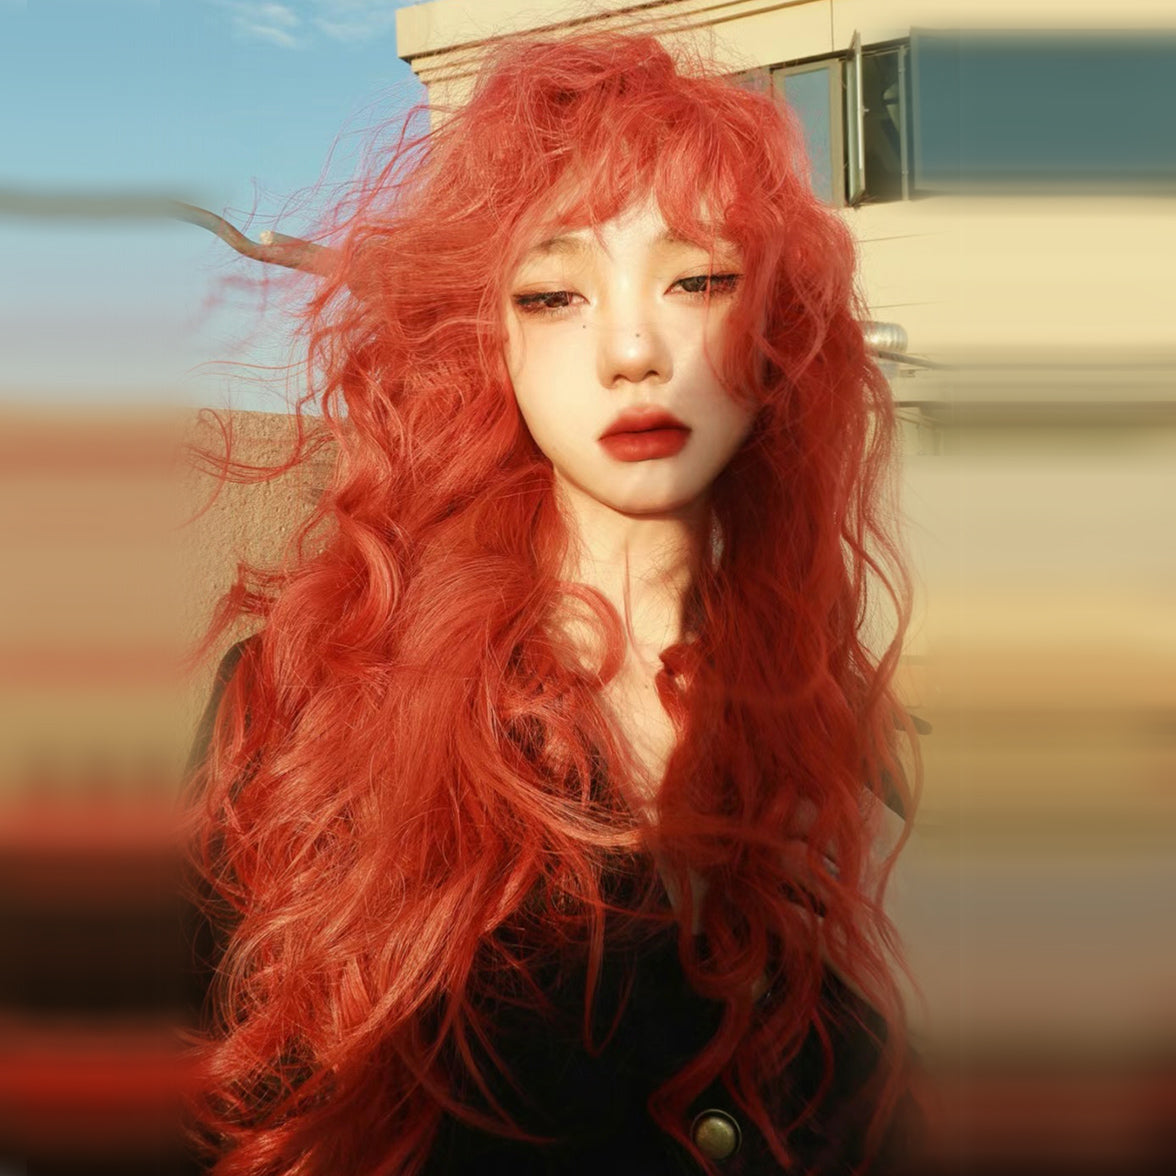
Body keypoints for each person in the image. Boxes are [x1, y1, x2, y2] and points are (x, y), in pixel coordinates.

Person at [185, 28, 922, 1176]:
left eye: (698, 280)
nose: (633, 349)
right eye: (554, 293)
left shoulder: (840, 733)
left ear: (775, 337)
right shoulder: (299, 717)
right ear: (488, 343)